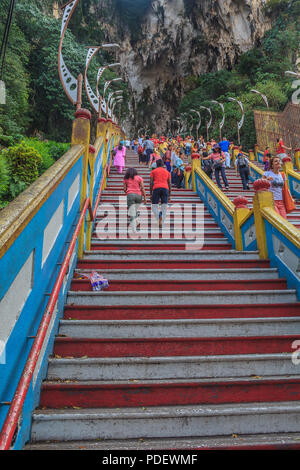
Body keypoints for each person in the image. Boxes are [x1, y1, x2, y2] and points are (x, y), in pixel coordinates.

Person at [150, 159, 171, 227]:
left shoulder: (153, 171)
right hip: (165, 188)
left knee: (154, 206)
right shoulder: (167, 172)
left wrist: (150, 193)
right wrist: (169, 194)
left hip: (156, 188)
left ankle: (159, 216)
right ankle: (161, 218)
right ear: (163, 164)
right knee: (164, 206)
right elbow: (169, 183)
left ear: (156, 164)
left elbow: (151, 183)